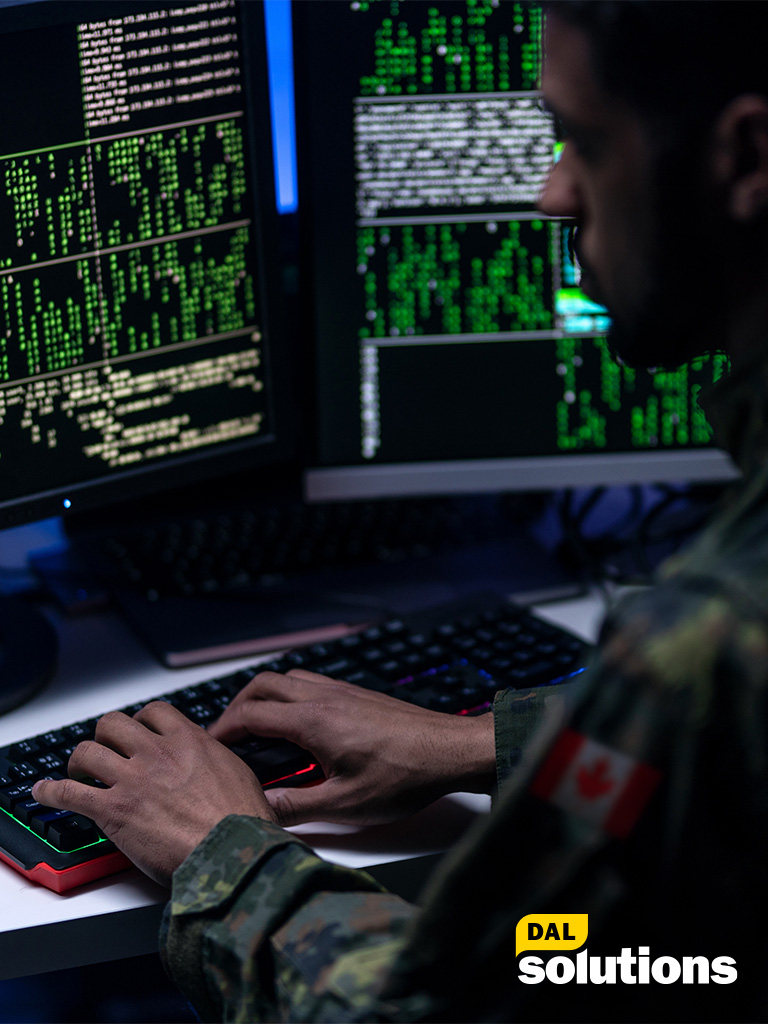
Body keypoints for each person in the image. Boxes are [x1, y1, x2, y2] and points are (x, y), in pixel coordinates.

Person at [32, 2, 768, 1019]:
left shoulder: (713, 634)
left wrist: (225, 853)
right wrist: (481, 743)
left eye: (585, 141)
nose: (554, 193)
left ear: (747, 155)